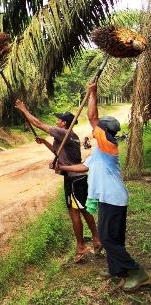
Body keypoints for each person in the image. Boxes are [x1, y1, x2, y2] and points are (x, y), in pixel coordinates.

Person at [57, 80, 149, 291]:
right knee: (112, 236)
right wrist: (62, 167)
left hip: (114, 198)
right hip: (109, 198)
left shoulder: (108, 145)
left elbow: (91, 117)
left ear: (103, 131)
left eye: (98, 128)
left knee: (107, 237)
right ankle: (117, 269)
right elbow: (83, 167)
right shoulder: (99, 151)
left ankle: (137, 272)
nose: (94, 129)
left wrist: (93, 92)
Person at [15, 99, 101, 263]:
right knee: (83, 210)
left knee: (74, 212)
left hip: (73, 180)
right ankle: (97, 239)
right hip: (78, 179)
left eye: (59, 119)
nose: (57, 121)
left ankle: (81, 246)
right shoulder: (71, 136)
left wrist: (24, 110)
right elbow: (57, 152)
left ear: (64, 123)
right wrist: (45, 142)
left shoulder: (64, 133)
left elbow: (39, 124)